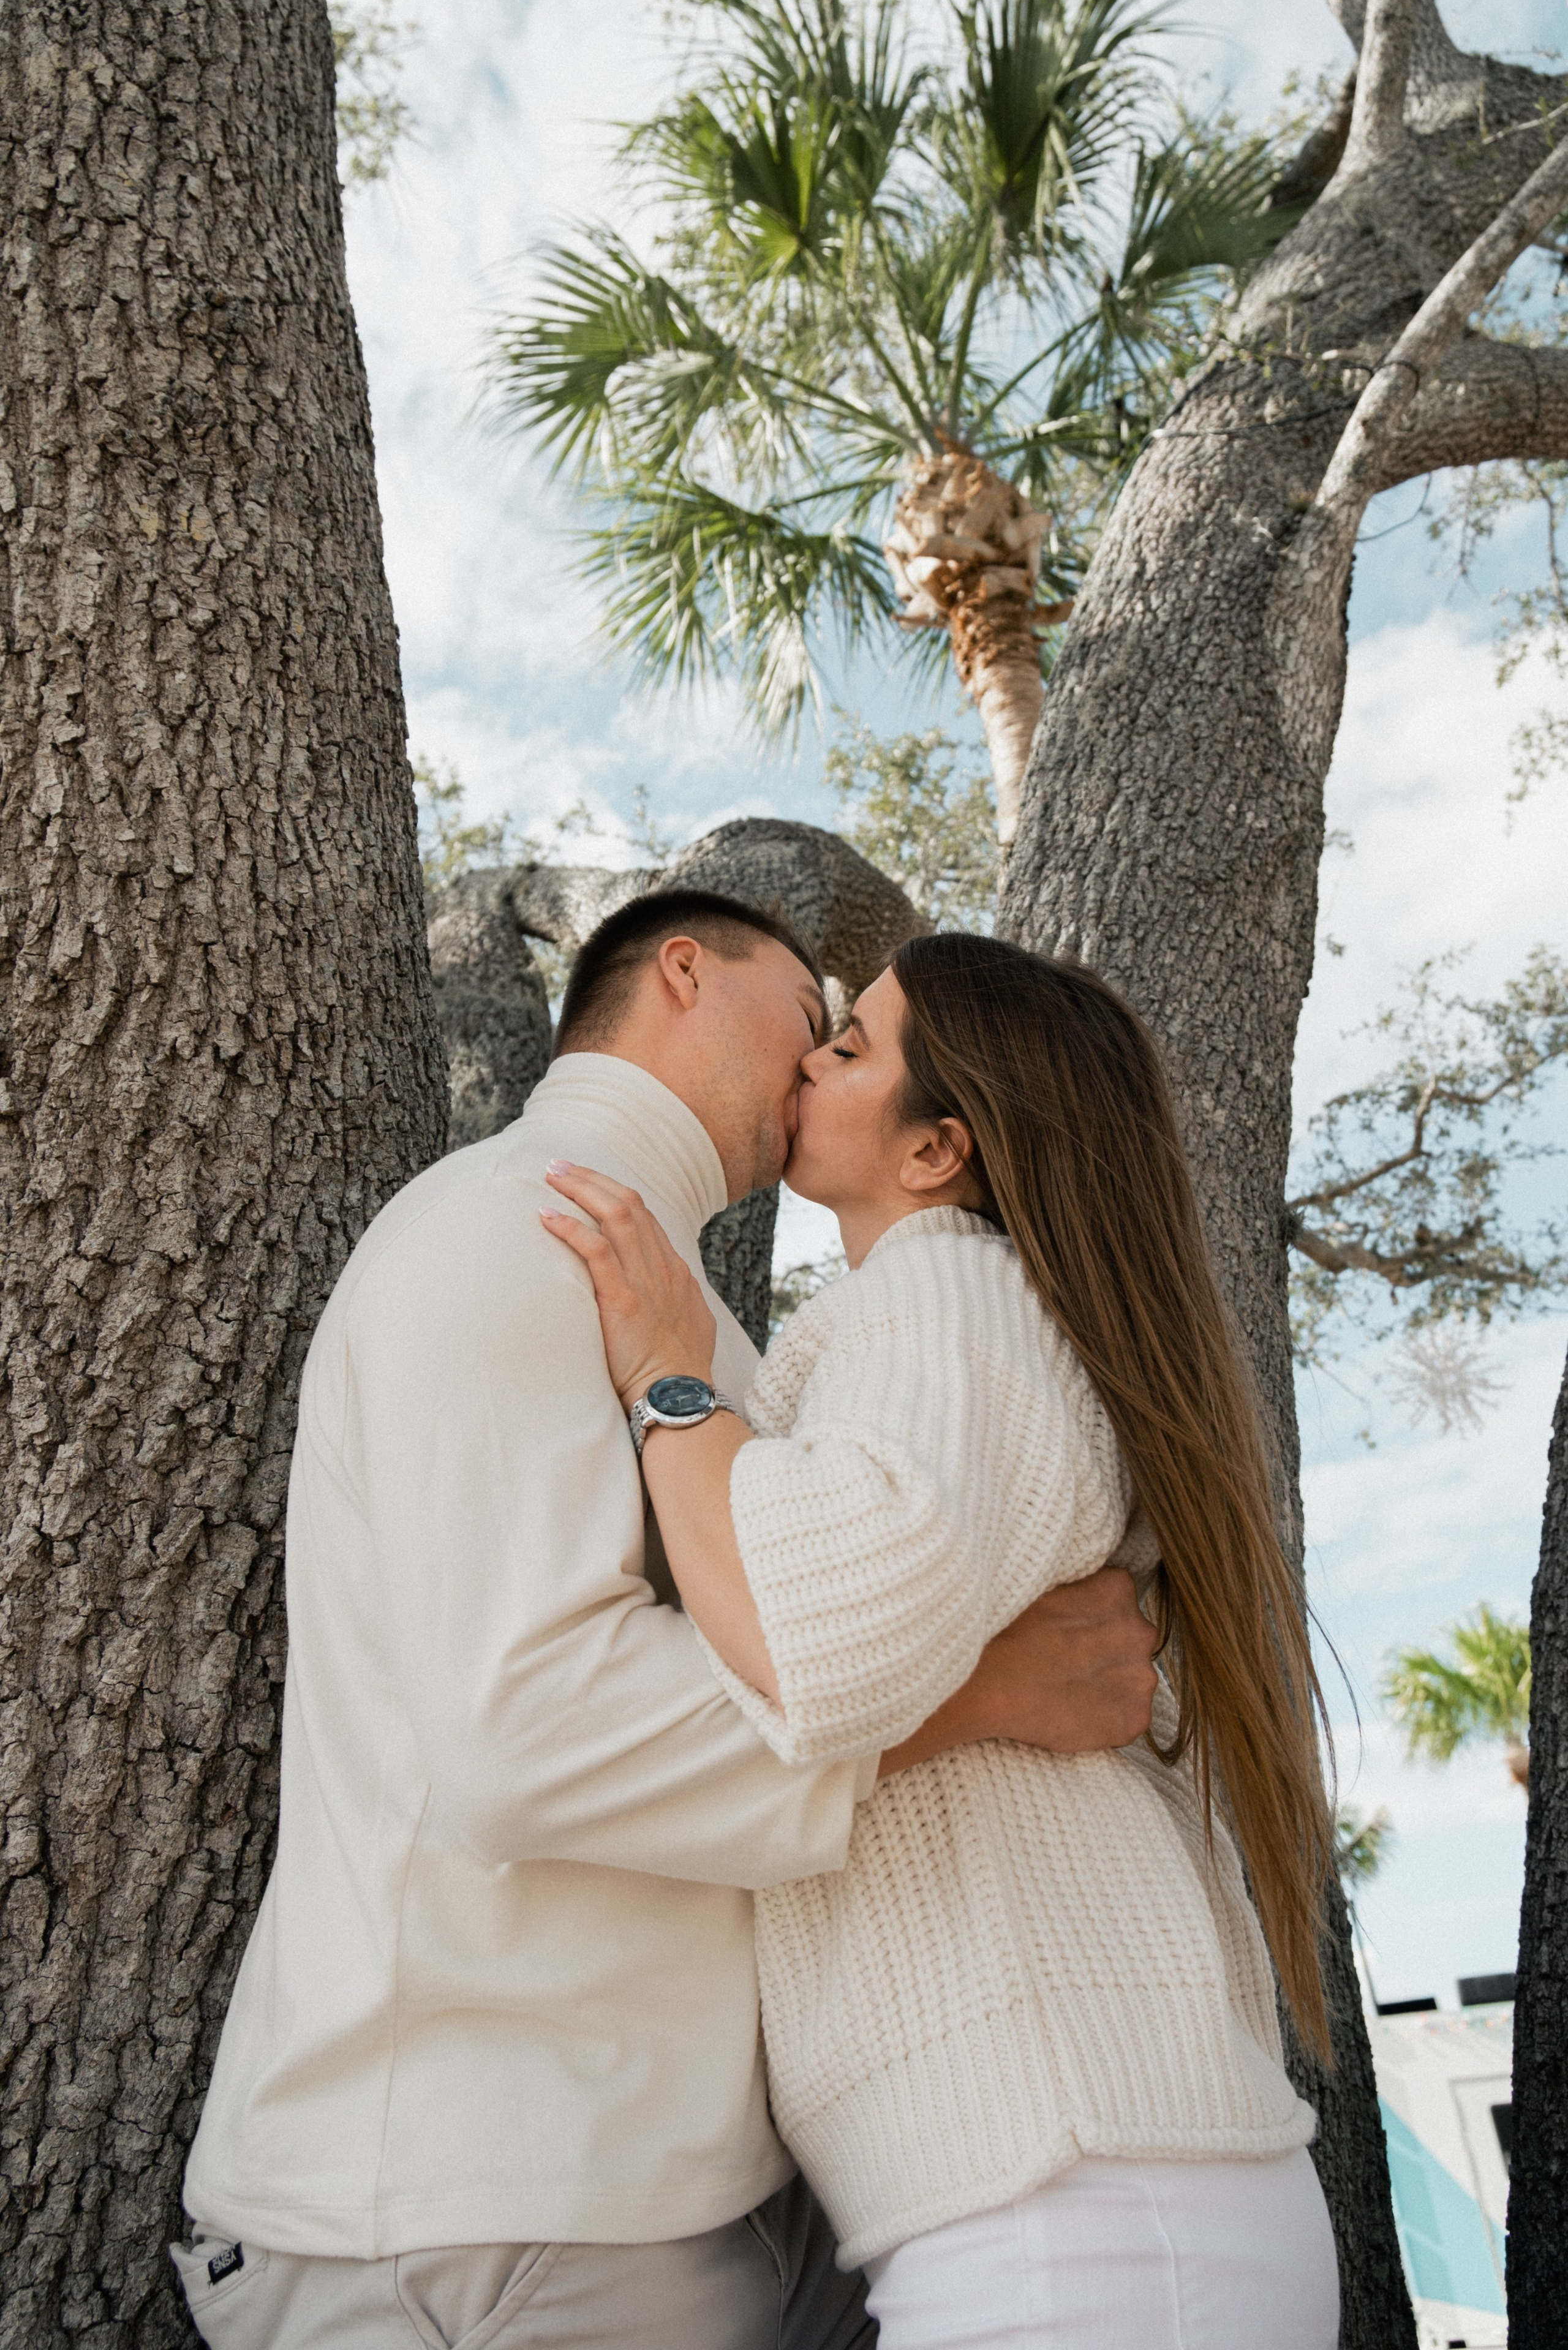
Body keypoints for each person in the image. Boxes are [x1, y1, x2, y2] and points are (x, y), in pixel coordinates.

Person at [173, 892, 1161, 2350]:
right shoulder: (519, 1225)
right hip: (489, 2204)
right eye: (812, 1012)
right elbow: (529, 1731)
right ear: (686, 973)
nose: (824, 1052)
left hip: (649, 2191)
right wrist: (981, 1691)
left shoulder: (673, 1299)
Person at [543, 930, 1342, 2350]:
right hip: (1084, 2193)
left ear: (935, 1155)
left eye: (849, 1048)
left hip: (1073, 2211)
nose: (809, 1055)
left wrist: (670, 1383)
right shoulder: (976, 1321)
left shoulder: (942, 1293)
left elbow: (817, 1633)